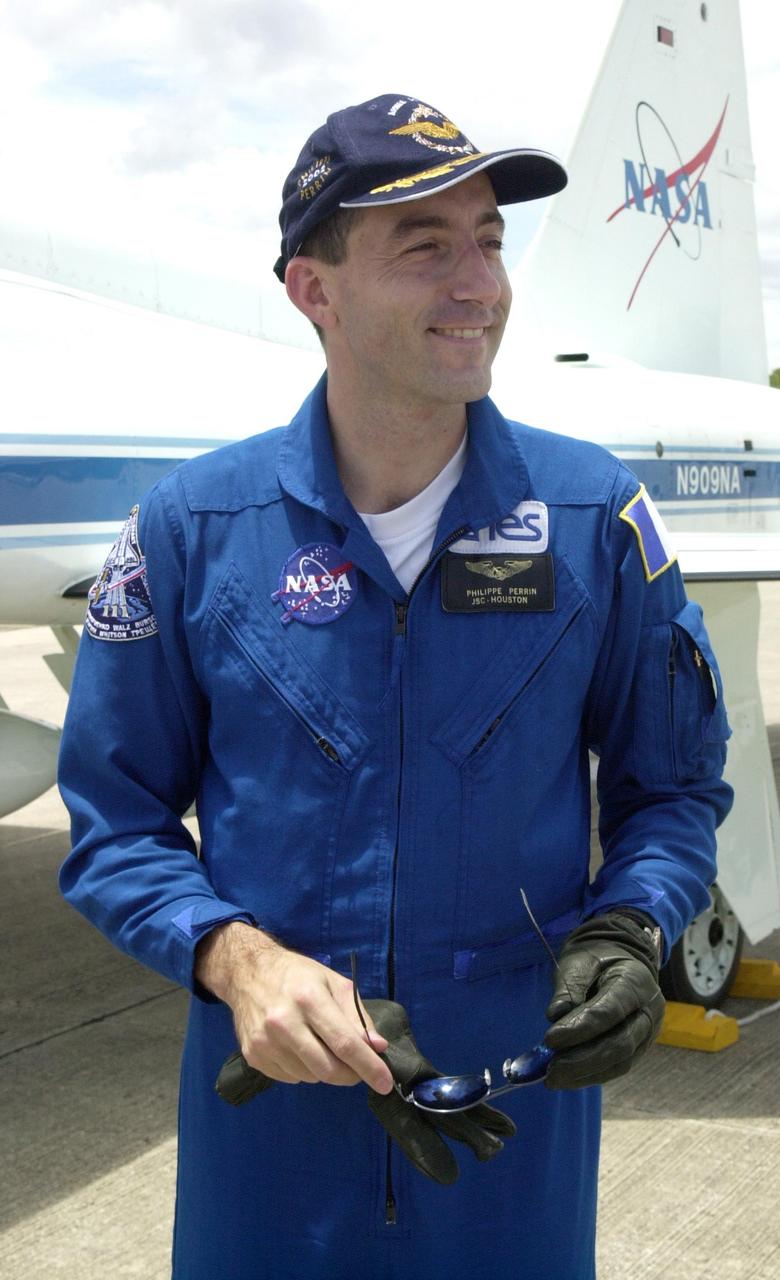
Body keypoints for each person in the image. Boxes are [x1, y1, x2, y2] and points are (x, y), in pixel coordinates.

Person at [58, 94, 733, 1280]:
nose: (478, 281)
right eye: (424, 246)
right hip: (268, 1110)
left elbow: (671, 789)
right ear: (312, 289)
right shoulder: (190, 531)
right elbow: (113, 825)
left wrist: (633, 928)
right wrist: (232, 957)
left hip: (511, 1111)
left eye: (486, 239)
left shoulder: (591, 521)